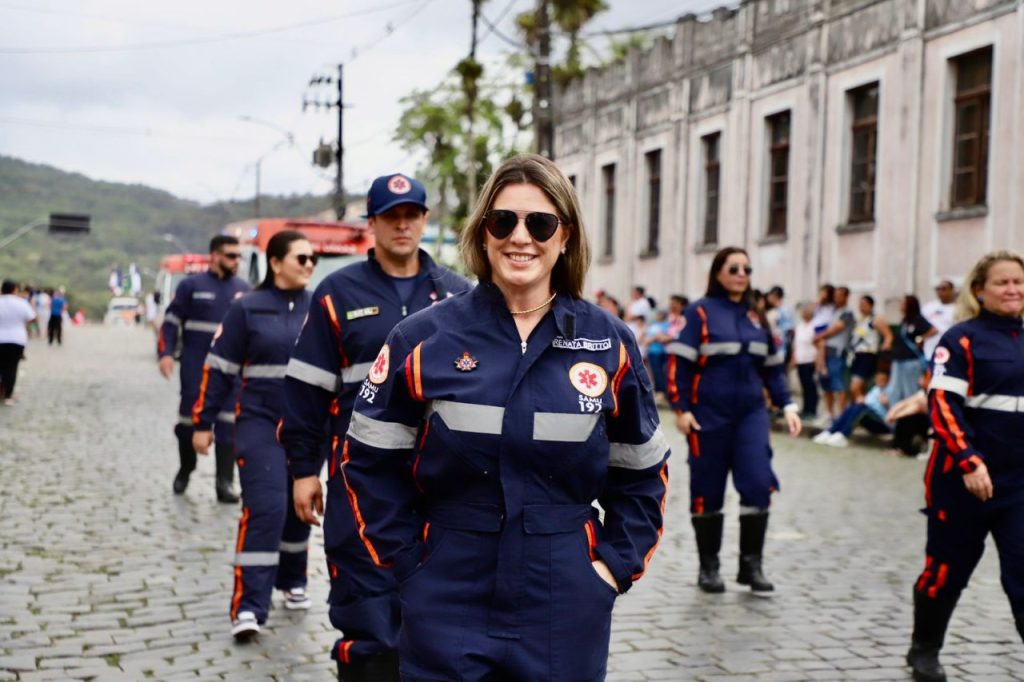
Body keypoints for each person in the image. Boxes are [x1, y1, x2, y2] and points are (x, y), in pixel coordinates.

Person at [330, 154, 669, 681]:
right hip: (446, 589)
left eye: (540, 223)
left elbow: (642, 473)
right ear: (482, 232)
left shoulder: (609, 344)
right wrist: (410, 564)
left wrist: (609, 569)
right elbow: (368, 461)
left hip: (565, 596)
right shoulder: (423, 339)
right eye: (503, 220)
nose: (521, 237)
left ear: (566, 236)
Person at [282, 172, 470, 681]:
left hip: (441, 481)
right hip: (358, 478)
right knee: (367, 614)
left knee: (437, 614)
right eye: (391, 217)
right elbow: (306, 390)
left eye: (412, 215)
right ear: (372, 224)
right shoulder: (336, 293)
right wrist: (303, 469)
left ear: (426, 220)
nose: (403, 225)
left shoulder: (459, 295)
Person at [190, 231, 315, 641]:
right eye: (301, 258)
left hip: (309, 427)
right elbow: (219, 366)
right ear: (276, 262)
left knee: (300, 505)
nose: (309, 265)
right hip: (259, 423)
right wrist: (203, 422)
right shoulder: (247, 309)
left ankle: (293, 580)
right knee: (266, 507)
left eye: (313, 258)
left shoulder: (322, 308)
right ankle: (248, 606)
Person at [907, 250, 1024, 681]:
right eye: (1002, 282)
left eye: (1019, 282)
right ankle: (924, 648)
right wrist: (969, 460)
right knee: (946, 571)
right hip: (962, 481)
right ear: (979, 290)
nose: (1013, 290)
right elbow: (942, 405)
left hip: (1018, 484)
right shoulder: (961, 339)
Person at [667, 247, 801, 595]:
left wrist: (788, 406)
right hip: (708, 415)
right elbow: (678, 366)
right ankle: (708, 567)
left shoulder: (758, 316)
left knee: (758, 482)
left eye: (747, 268)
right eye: (734, 267)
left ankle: (750, 566)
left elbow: (772, 369)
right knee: (707, 490)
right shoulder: (699, 312)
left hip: (751, 415)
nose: (742, 273)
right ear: (719, 272)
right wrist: (681, 409)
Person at [158, 235, 250, 502]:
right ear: (215, 256)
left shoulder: (244, 289)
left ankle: (224, 482)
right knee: (188, 422)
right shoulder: (191, 286)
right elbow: (171, 322)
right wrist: (165, 353)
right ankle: (186, 467)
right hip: (195, 369)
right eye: (230, 255)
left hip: (231, 373)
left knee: (228, 423)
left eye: (238, 256)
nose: (235, 261)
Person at [811, 369, 891, 447]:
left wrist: (886, 402)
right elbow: (867, 401)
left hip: (882, 423)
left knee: (861, 409)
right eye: (878, 379)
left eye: (882, 379)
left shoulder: (891, 391)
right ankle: (831, 431)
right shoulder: (876, 389)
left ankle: (843, 434)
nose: (879, 381)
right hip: (868, 414)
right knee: (853, 407)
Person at [815, 285, 855, 420]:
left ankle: (841, 414)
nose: (837, 298)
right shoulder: (832, 311)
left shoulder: (847, 313)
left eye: (840, 295)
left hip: (838, 351)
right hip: (825, 350)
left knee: (838, 383)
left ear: (846, 297)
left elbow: (837, 328)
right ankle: (829, 413)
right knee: (826, 383)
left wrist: (820, 336)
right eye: (835, 295)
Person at [889, 294, 935, 405]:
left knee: (910, 391)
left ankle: (913, 419)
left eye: (903, 303)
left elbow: (933, 330)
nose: (900, 306)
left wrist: (920, 338)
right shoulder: (905, 320)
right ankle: (897, 419)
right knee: (894, 392)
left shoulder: (917, 319)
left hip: (911, 361)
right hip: (899, 360)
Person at [848, 294, 893, 402]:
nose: (861, 307)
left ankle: (864, 406)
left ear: (871, 305)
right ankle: (862, 409)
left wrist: (885, 347)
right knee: (860, 388)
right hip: (856, 355)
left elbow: (888, 335)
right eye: (860, 304)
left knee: (855, 387)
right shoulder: (859, 320)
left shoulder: (875, 319)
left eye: (864, 304)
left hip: (868, 354)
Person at [0, 280, 36, 406]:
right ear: (15, 290)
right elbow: (32, 318)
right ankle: (8, 396)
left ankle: (1, 390)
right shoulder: (21, 303)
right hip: (16, 339)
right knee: (11, 367)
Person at [791, 302, 820, 420]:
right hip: (800, 359)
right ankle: (805, 409)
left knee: (810, 386)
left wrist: (817, 359)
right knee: (804, 386)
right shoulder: (799, 326)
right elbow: (795, 344)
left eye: (805, 311)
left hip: (810, 359)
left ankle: (812, 410)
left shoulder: (815, 325)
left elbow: (819, 344)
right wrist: (794, 358)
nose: (803, 314)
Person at [921, 279, 956, 359]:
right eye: (938, 289)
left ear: (952, 290)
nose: (940, 291)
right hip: (928, 352)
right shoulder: (928, 307)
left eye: (943, 289)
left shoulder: (958, 309)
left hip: (948, 351)